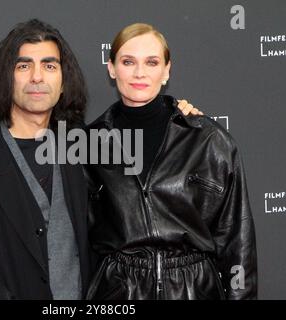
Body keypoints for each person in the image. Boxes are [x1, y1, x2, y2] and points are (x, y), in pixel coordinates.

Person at [0, 19, 201, 300]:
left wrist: (176, 115)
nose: (37, 77)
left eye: (49, 65)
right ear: (5, 77)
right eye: (23, 66)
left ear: (62, 80)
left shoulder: (85, 146)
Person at [85, 23, 257, 300]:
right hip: (119, 293)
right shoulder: (88, 144)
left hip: (196, 290)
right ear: (112, 68)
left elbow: (237, 242)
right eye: (128, 62)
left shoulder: (209, 140)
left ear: (166, 71)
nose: (139, 73)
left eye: (151, 62)